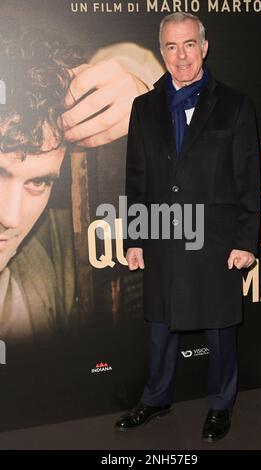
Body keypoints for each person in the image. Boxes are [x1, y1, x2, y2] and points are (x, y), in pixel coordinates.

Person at [115, 12, 261, 442]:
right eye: (171, 47)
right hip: (161, 233)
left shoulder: (234, 104)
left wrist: (245, 239)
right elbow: (136, 176)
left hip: (214, 239)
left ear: (205, 46)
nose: (181, 56)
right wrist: (135, 237)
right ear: (161, 52)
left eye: (189, 44)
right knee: (160, 324)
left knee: (219, 327)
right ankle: (157, 398)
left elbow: (248, 179)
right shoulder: (144, 107)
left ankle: (220, 404)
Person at [0, 19, 163, 342]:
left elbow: (125, 62)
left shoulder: (46, 253)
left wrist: (146, 98)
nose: (10, 216)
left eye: (38, 182)